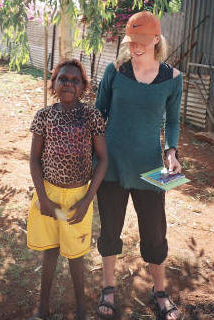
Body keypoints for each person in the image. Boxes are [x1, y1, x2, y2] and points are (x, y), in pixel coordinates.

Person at [95, 11, 183, 320]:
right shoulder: (115, 71)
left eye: (142, 42)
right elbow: (99, 115)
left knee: (155, 234)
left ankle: (159, 291)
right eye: (132, 42)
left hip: (150, 168)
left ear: (157, 39)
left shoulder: (173, 79)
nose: (135, 48)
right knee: (109, 230)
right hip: (112, 167)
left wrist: (171, 153)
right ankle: (108, 288)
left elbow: (172, 121)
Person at [27, 59, 108, 320]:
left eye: (75, 80)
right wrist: (43, 198)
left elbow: (103, 159)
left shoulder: (91, 116)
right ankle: (42, 307)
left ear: (83, 86)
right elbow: (34, 160)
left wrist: (86, 201)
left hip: (77, 197)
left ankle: (82, 311)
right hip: (48, 195)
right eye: (63, 78)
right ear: (54, 84)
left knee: (76, 256)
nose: (68, 84)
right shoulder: (44, 116)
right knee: (50, 251)